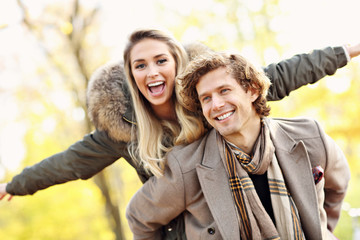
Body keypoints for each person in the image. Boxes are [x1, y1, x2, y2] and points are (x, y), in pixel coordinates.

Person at [0, 28, 358, 237]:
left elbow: (284, 73)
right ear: (132, 76)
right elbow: (68, 163)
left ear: (176, 63)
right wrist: (15, 184)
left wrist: (345, 51)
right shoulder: (124, 131)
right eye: (140, 65)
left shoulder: (209, 99)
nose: (152, 71)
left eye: (160, 61)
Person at [125, 52, 351, 240]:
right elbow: (139, 217)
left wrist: (322, 230)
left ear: (252, 90)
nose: (216, 105)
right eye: (206, 98)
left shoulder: (309, 136)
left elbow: (337, 187)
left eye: (224, 91)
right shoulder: (187, 167)